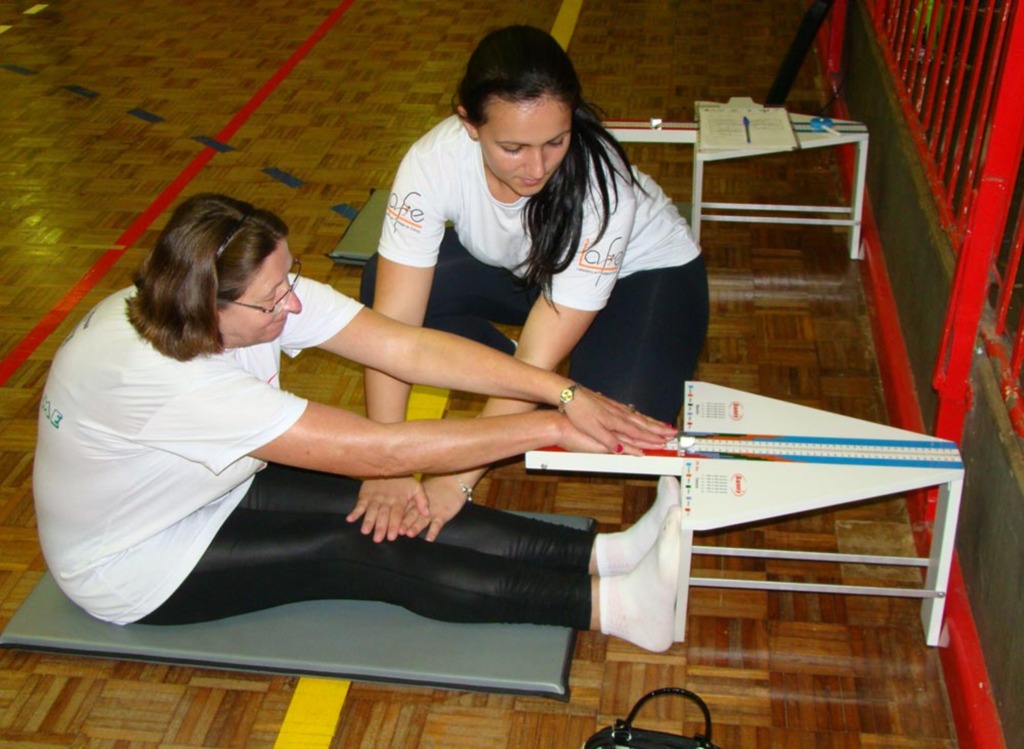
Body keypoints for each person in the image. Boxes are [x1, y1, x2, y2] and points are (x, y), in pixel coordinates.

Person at [32, 192, 687, 652]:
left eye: (289, 277)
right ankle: (617, 609)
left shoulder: (223, 294)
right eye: (273, 298)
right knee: (356, 547)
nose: (293, 301)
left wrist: (563, 392)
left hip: (211, 483)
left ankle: (604, 553)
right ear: (211, 304)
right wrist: (546, 426)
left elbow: (405, 346)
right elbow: (379, 449)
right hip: (135, 561)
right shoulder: (169, 378)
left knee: (397, 499)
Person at [359, 24, 709, 541]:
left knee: (618, 424)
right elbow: (392, 328)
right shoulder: (433, 161)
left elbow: (536, 361)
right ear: (469, 122)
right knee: (379, 286)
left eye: (555, 141)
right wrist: (383, 465)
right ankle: (544, 388)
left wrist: (456, 479)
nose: (537, 166)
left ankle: (569, 385)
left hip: (646, 278)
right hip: (536, 274)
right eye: (513, 147)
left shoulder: (600, 186)